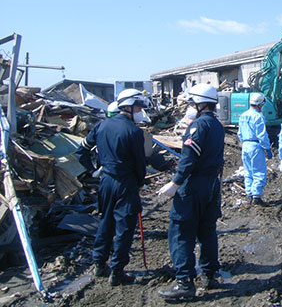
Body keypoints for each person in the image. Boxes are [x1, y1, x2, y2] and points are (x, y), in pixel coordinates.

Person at [157, 83, 225, 299]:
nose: (191, 106)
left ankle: (184, 282)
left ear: (200, 103)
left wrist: (175, 183)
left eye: (192, 102)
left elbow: (188, 159)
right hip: (212, 185)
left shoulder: (198, 126)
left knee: (181, 231)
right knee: (207, 231)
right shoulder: (217, 125)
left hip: (194, 185)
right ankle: (210, 275)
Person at [81, 88, 149, 286]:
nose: (139, 111)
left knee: (105, 222)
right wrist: (139, 183)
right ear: (127, 107)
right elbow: (139, 164)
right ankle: (117, 272)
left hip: (106, 182)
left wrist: (93, 170)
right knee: (124, 228)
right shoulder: (134, 132)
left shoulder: (101, 126)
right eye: (137, 107)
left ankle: (99, 264)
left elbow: (82, 150)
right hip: (125, 184)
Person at [237, 92, 272, 206]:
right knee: (259, 170)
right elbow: (262, 134)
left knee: (248, 171)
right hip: (255, 145)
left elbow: (240, 133)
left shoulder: (243, 115)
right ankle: (257, 196)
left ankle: (250, 193)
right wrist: (267, 148)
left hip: (245, 145)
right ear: (260, 104)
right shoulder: (258, 116)